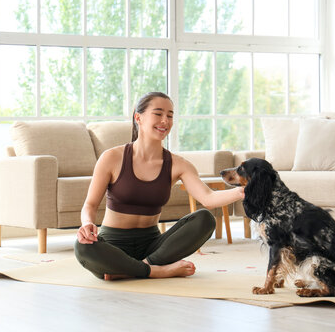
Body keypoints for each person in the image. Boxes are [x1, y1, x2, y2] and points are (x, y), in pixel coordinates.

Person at [74, 92, 244, 280]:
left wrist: (242, 191)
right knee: (82, 246)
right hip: (114, 244)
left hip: (153, 246)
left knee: (205, 219)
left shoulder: (179, 164)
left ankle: (132, 269)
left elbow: (208, 199)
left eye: (170, 116)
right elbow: (89, 205)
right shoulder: (112, 157)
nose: (165, 120)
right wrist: (87, 223)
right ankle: (156, 271)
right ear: (138, 117)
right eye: (158, 113)